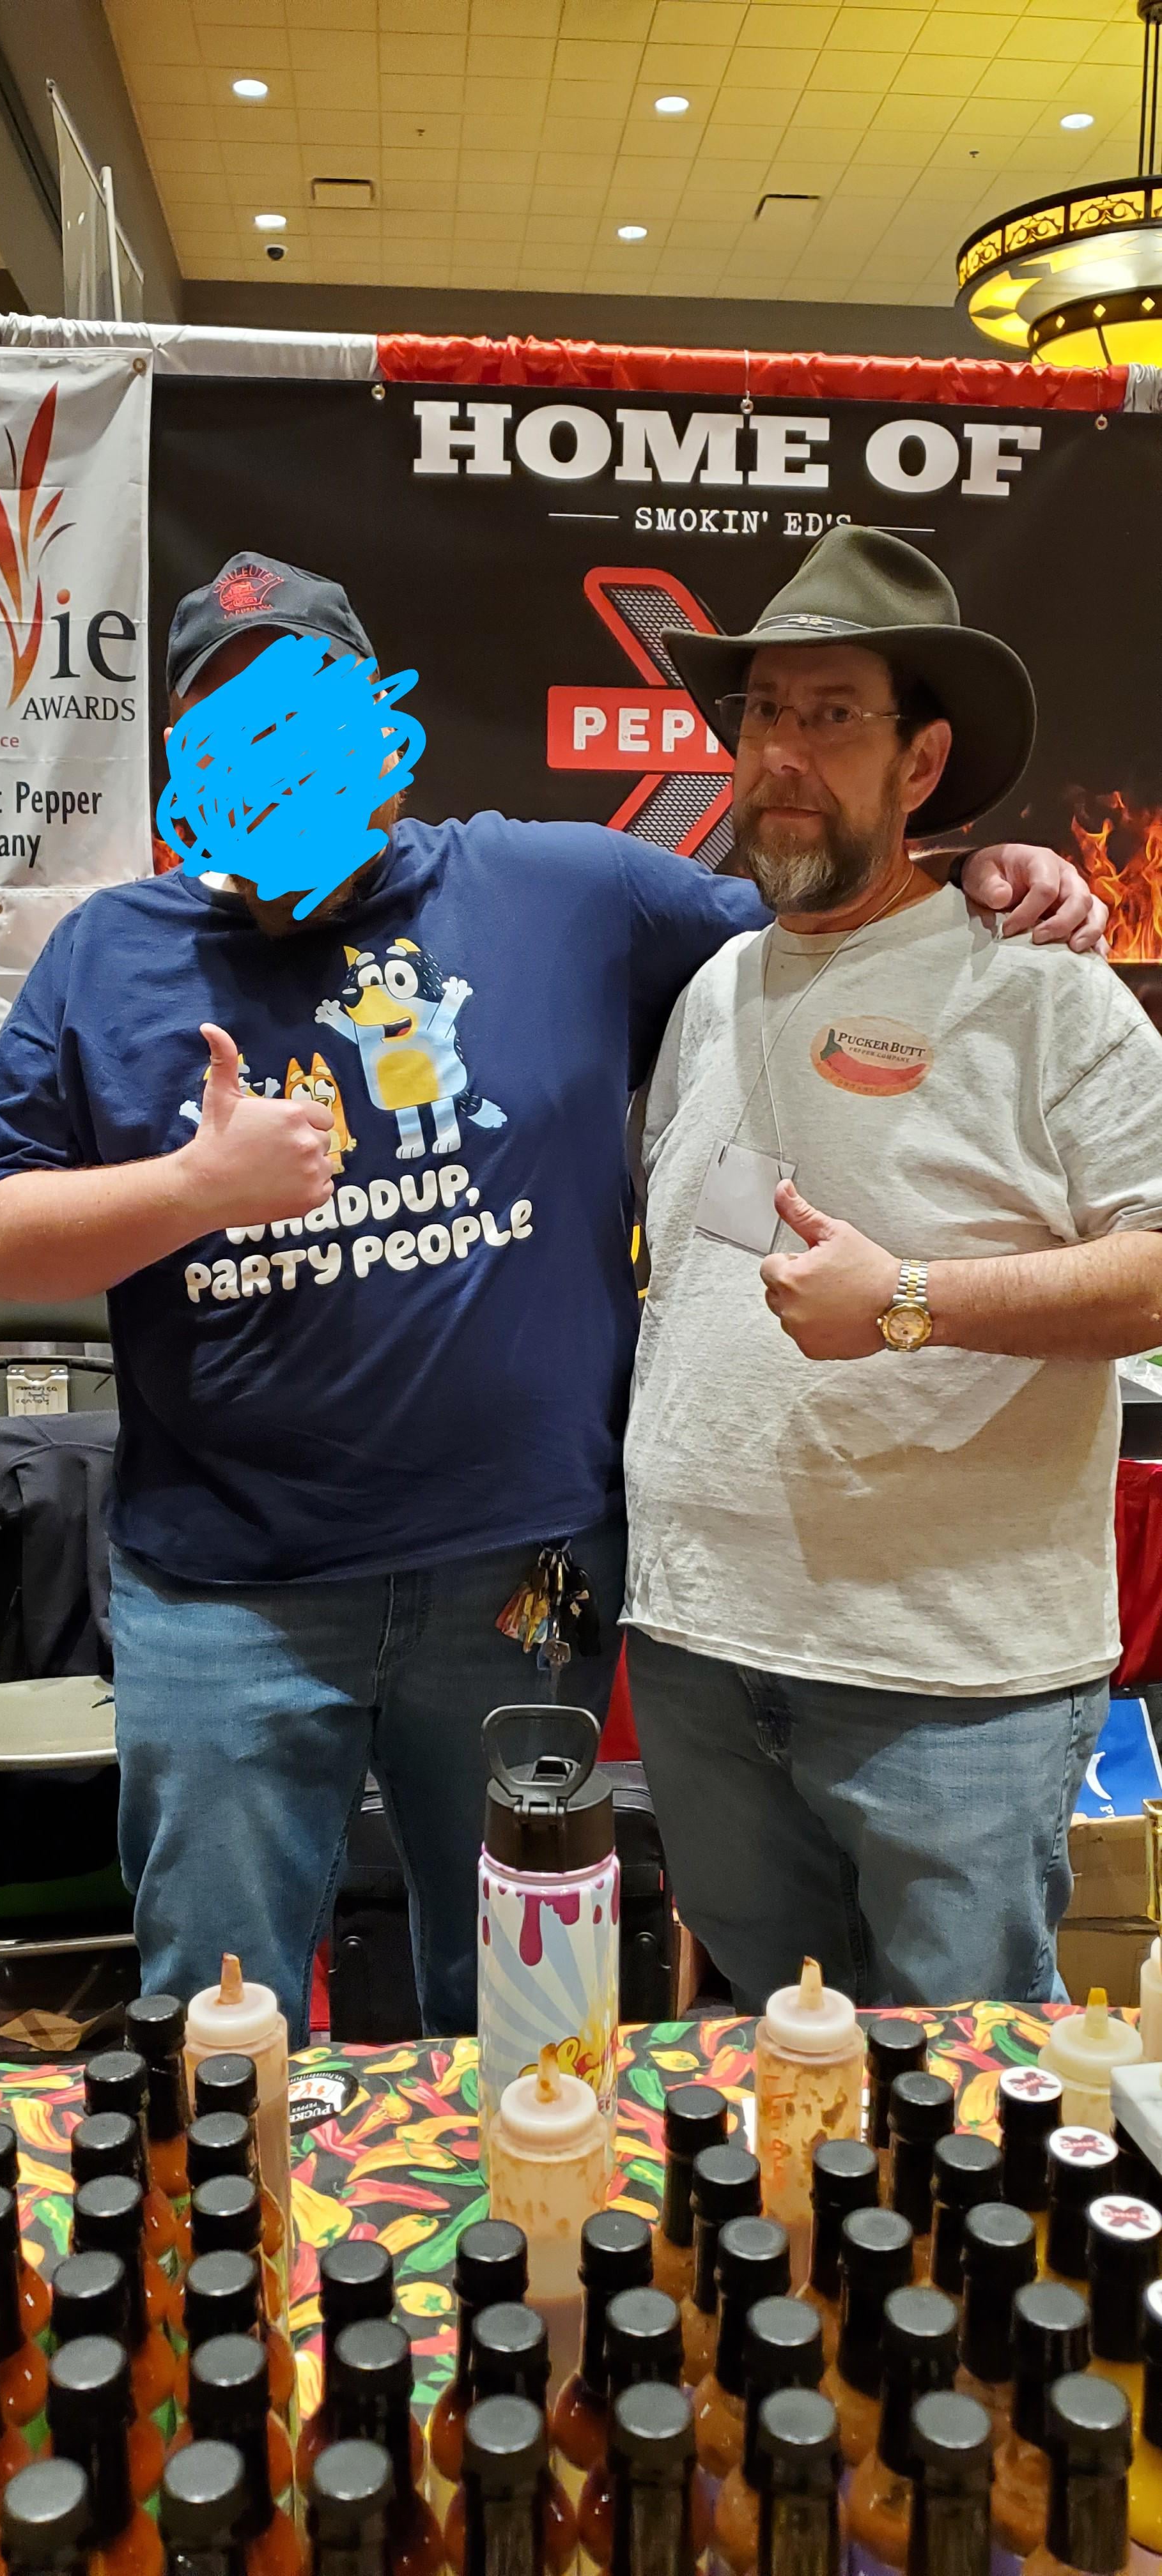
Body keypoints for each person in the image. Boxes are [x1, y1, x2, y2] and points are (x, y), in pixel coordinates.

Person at [0, 551, 1105, 2043]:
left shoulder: (571, 891)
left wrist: (984, 875)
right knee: (214, 2018)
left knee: (531, 2011)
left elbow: (831, 918)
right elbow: (1, 1238)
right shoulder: (112, 955)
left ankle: (523, 2208)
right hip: (227, 1599)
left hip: (520, 1593)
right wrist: (192, 1190)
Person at [623, 523, 1162, 2012]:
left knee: (961, 2094)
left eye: (831, 716)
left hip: (950, 1690)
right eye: (762, 714)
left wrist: (914, 1303)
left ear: (922, 765)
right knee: (783, 2059)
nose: (782, 754)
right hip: (704, 1658)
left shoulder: (1045, 993)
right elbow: (724, 1246)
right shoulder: (718, 986)